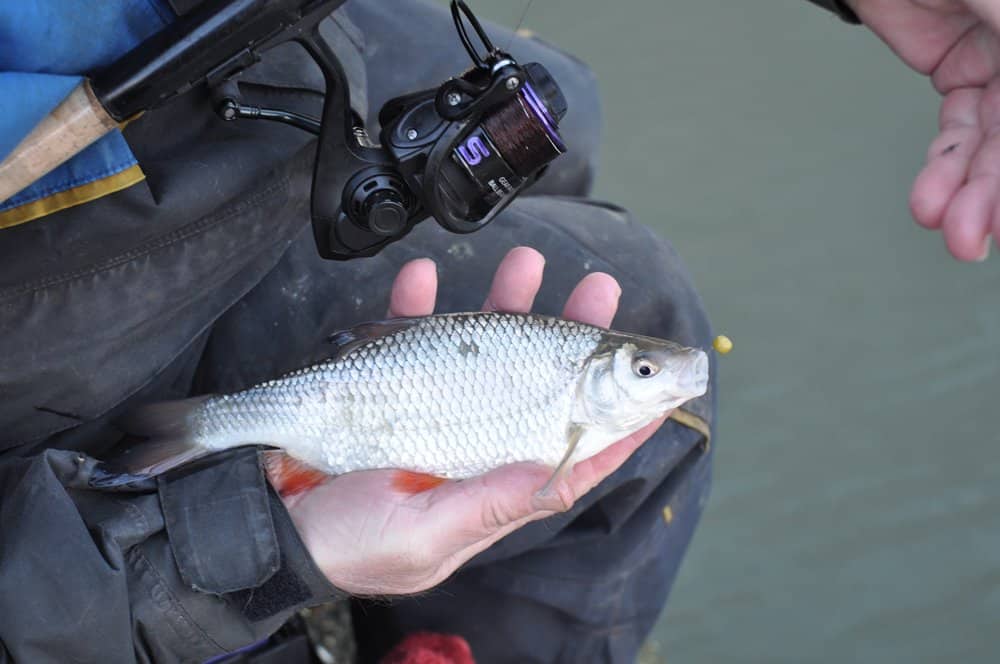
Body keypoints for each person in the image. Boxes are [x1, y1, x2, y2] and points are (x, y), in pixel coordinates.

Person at [0, 1, 992, 663]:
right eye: (638, 374)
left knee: (547, 107)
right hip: (57, 299)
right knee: (647, 334)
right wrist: (271, 546)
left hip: (164, 48)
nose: (654, 374)